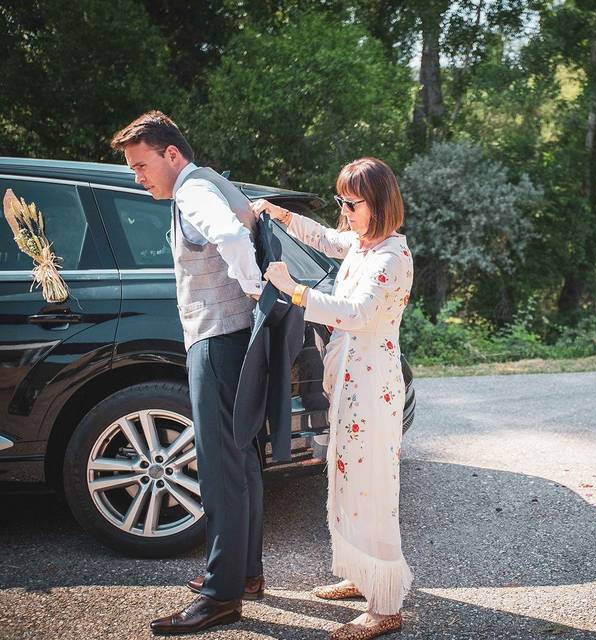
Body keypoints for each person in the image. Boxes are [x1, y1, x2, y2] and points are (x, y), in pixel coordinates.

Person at [111, 111, 266, 635]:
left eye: (141, 165)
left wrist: (251, 289)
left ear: (172, 154)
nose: (137, 176)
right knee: (241, 459)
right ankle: (245, 575)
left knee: (221, 468)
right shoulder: (215, 182)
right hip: (235, 338)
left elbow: (230, 236)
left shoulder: (193, 191)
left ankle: (221, 596)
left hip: (218, 339)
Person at [254, 157, 414, 640]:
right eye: (341, 200)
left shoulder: (390, 258)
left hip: (371, 387)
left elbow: (357, 312)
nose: (344, 211)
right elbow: (326, 237)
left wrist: (295, 291)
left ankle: (385, 605)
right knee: (347, 480)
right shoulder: (364, 245)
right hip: (350, 381)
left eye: (352, 202)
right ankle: (360, 575)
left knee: (371, 488)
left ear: (380, 204)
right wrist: (281, 216)